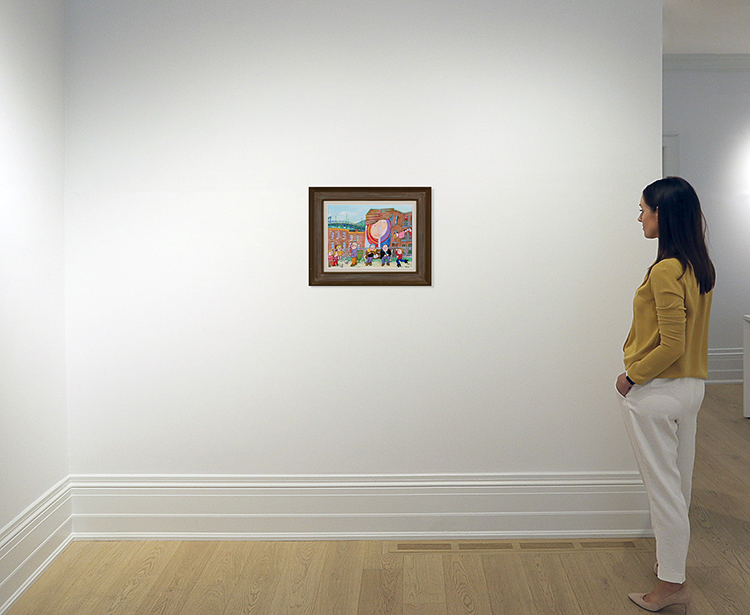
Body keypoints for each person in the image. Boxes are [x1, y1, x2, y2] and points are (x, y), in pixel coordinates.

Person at [616, 177, 715, 613]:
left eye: (643, 209)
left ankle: (670, 585)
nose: (639, 217)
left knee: (664, 492)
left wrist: (632, 377)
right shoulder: (698, 266)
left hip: (658, 392)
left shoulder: (664, 269)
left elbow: (671, 343)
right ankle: (672, 573)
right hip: (691, 389)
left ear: (663, 214)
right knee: (680, 487)